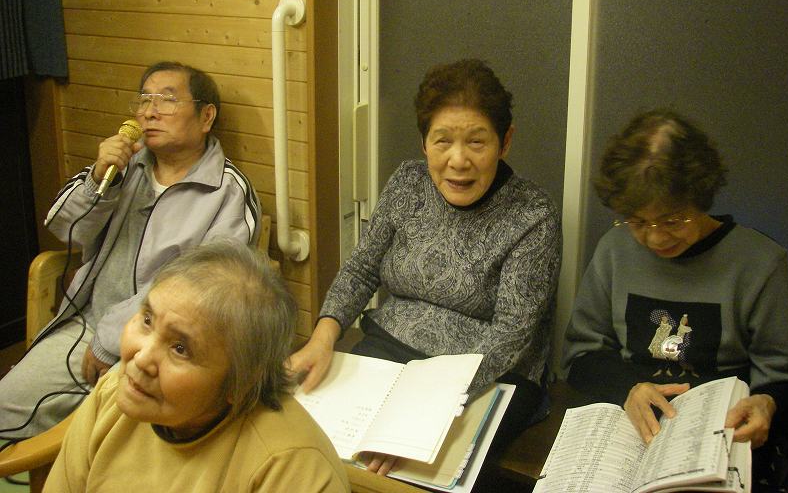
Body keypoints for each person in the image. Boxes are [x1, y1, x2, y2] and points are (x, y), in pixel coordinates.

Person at [289, 58, 562, 474]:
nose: (458, 160)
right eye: (442, 141)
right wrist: (322, 338)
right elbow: (362, 269)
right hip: (391, 347)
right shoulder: (408, 183)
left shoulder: (532, 216)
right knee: (318, 451)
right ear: (423, 143)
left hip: (490, 372)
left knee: (413, 471)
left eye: (476, 142)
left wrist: (422, 417)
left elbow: (511, 336)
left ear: (505, 141)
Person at [0, 61, 261, 439]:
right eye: (144, 100)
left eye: (167, 100)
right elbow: (65, 229)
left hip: (164, 345)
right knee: (7, 406)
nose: (150, 112)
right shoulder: (123, 167)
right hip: (86, 325)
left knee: (117, 440)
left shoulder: (228, 191)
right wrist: (99, 179)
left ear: (206, 117)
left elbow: (204, 289)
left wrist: (112, 340)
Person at [562, 109, 788, 485]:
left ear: (701, 198)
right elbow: (580, 357)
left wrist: (767, 404)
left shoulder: (759, 263)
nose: (656, 238)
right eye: (638, 222)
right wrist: (628, 389)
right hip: (630, 430)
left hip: (717, 436)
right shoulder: (614, 250)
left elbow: (785, 380)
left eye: (673, 220)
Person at [43, 240, 350, 493]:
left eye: (180, 349)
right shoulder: (111, 396)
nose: (142, 358)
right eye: (147, 320)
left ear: (239, 384)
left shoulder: (290, 469)